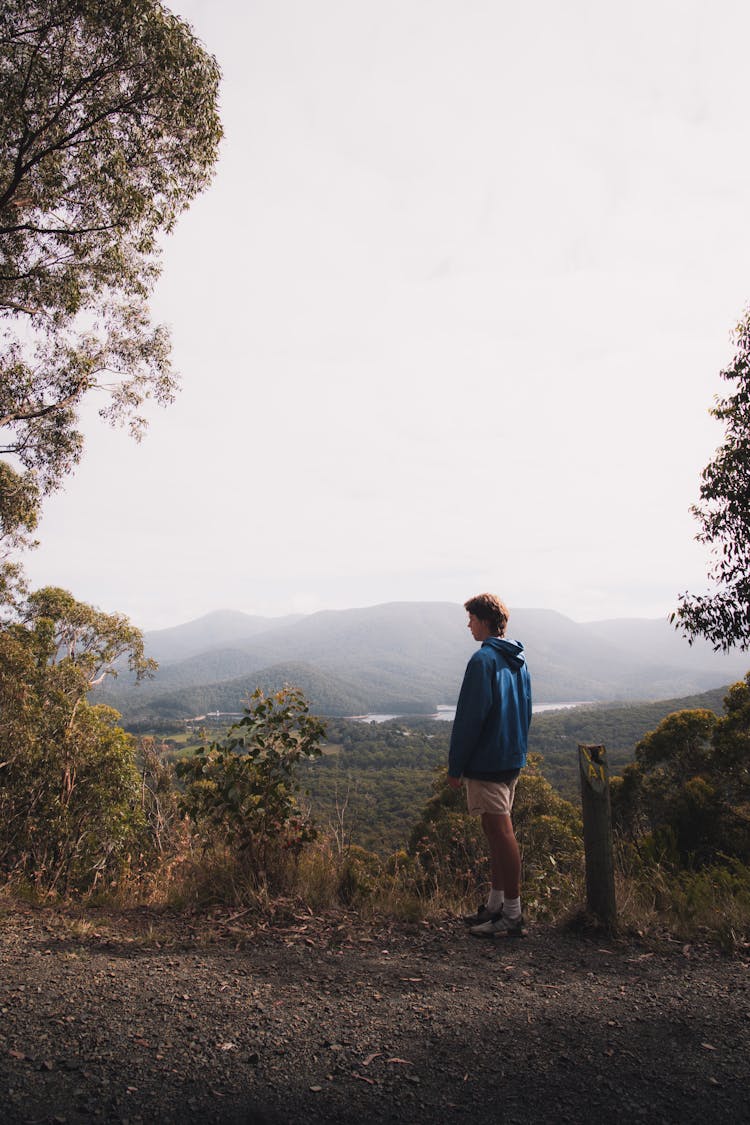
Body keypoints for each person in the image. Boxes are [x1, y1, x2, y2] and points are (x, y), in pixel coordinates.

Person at [448, 593, 532, 938]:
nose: (468, 625)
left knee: (502, 833)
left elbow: (470, 718)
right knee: (494, 833)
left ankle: (512, 914)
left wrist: (456, 766)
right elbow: (526, 708)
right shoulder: (517, 659)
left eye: (471, 619)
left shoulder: (483, 661)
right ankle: (496, 905)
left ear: (484, 621)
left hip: (488, 759)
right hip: (511, 756)